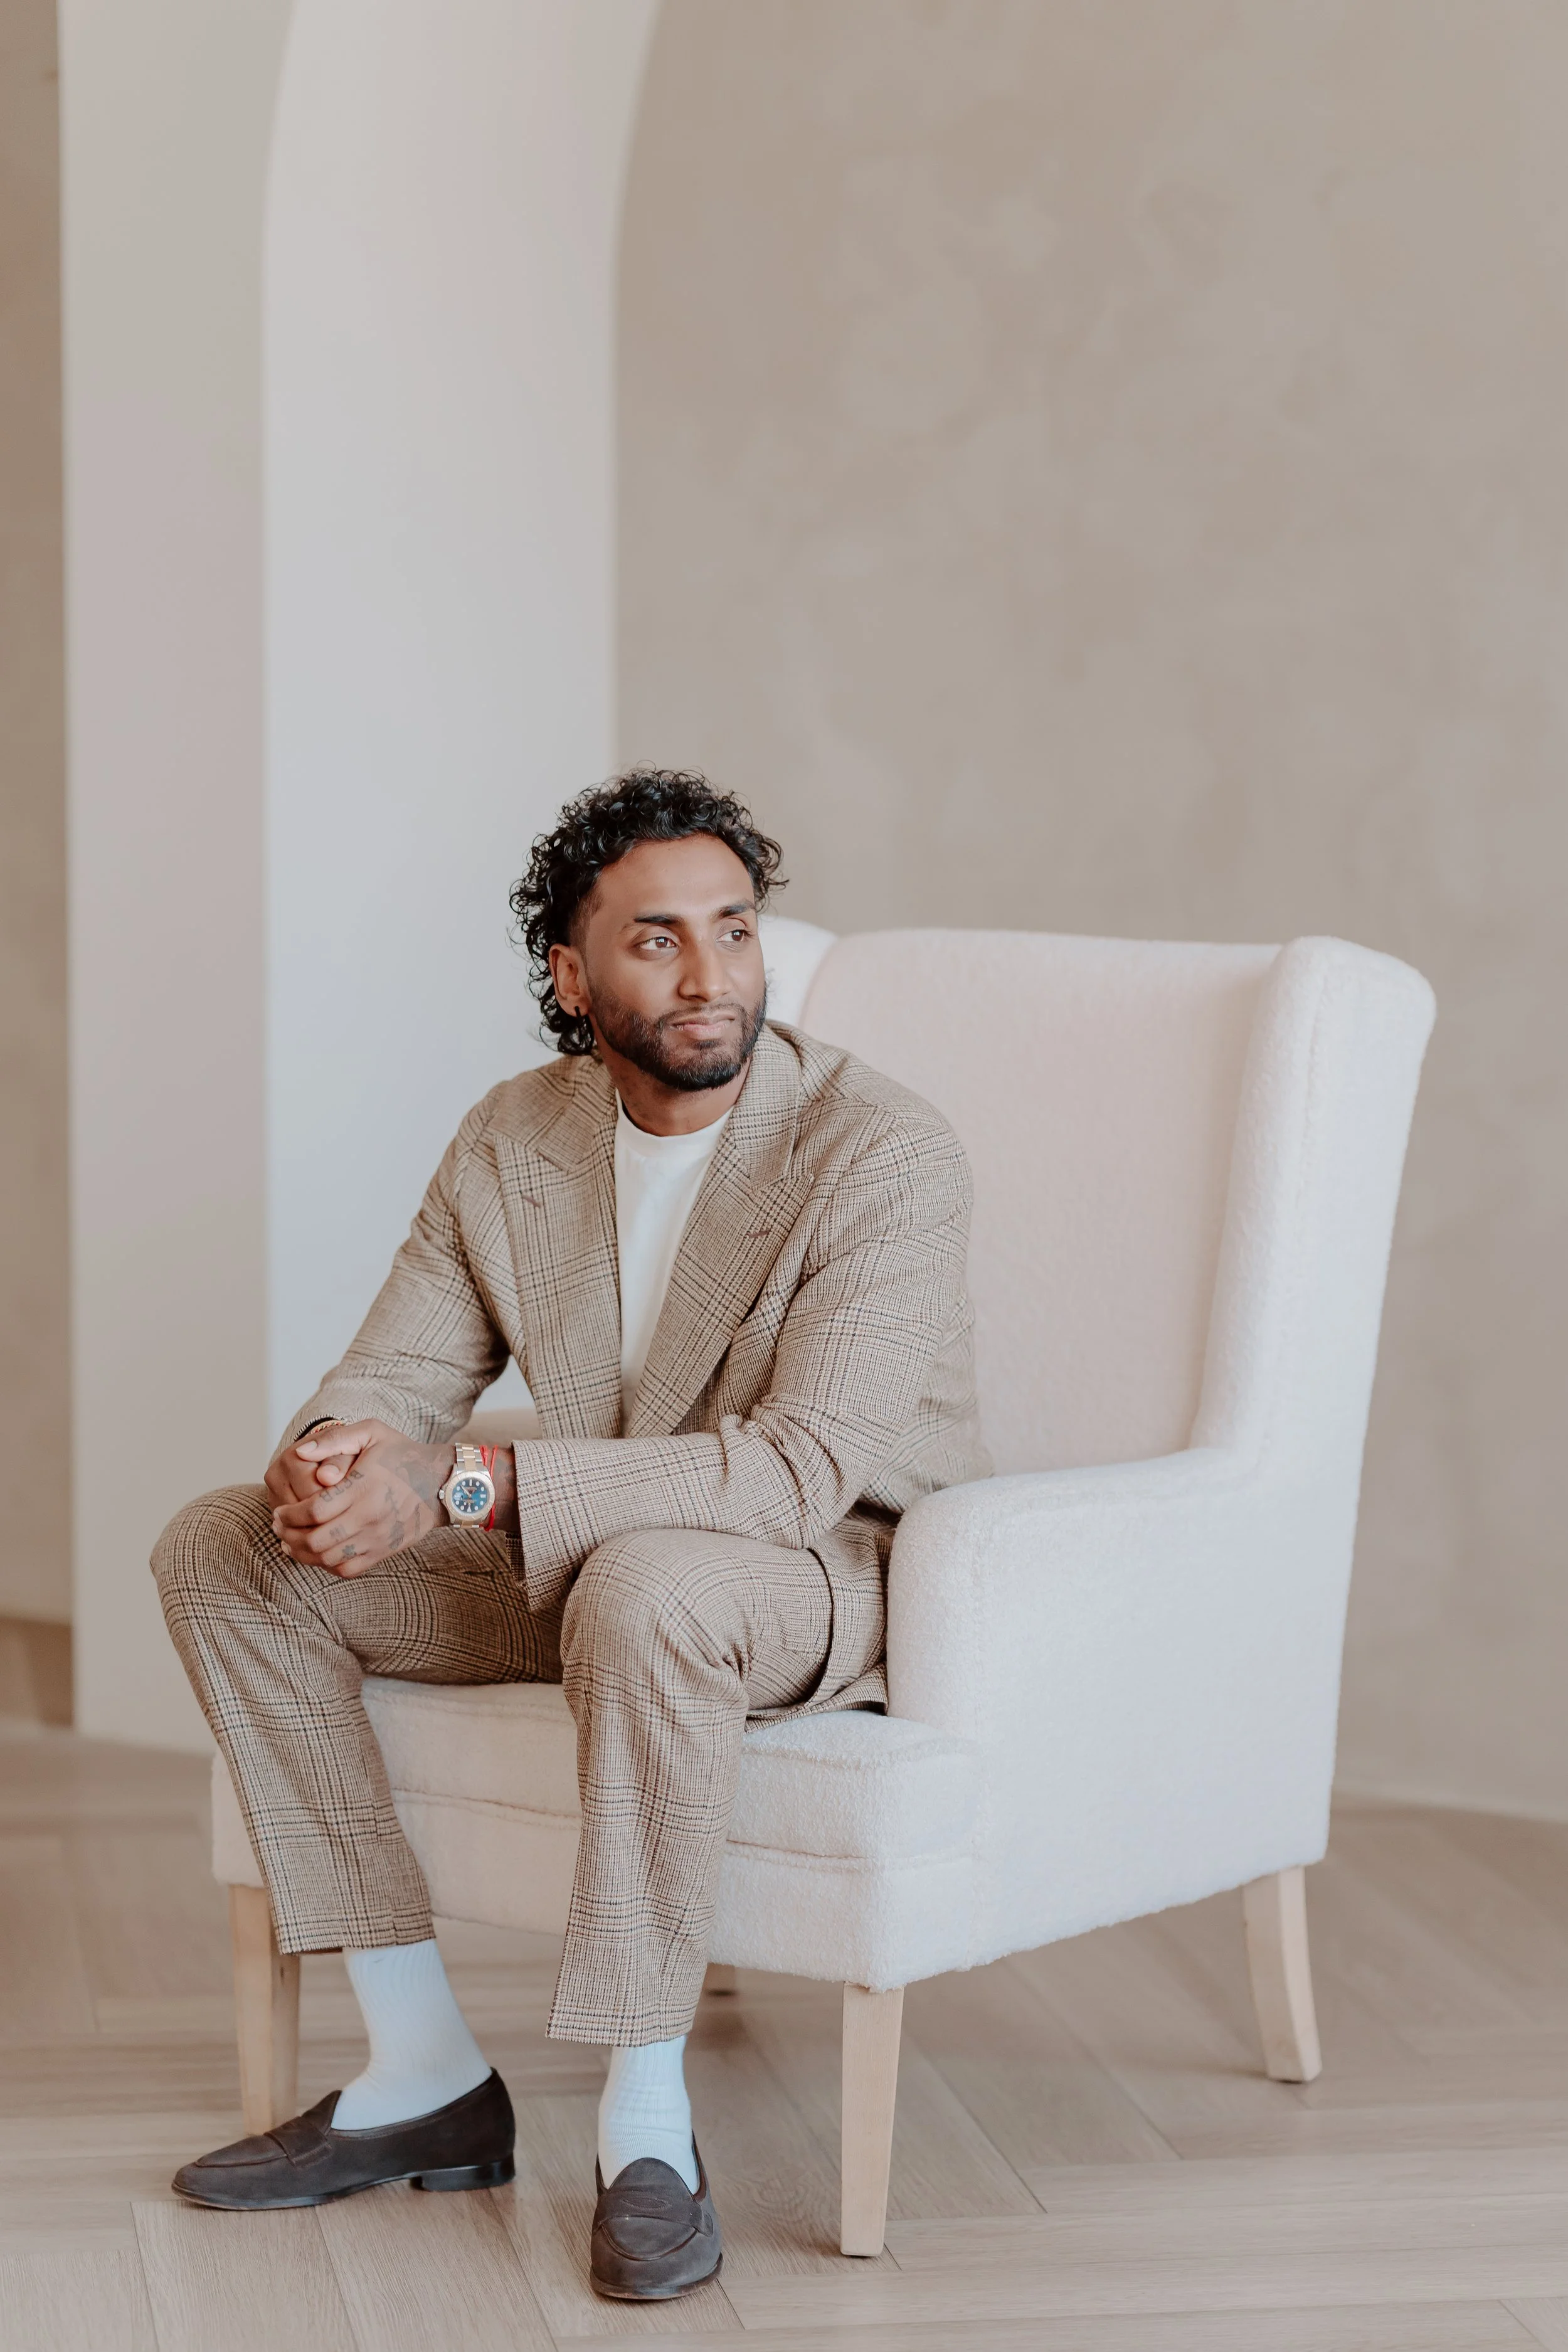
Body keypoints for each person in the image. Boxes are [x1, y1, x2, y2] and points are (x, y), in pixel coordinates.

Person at [154, 768, 987, 2301]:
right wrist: (332, 1467)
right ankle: (419, 2073)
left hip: (811, 1574)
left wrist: (459, 1483)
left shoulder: (880, 1151)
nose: (709, 974)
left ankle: (645, 2128)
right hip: (587, 1554)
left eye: (733, 932)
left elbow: (797, 1469)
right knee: (223, 1546)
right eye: (657, 939)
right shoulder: (514, 1138)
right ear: (571, 972)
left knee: (652, 1590)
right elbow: (397, 1375)